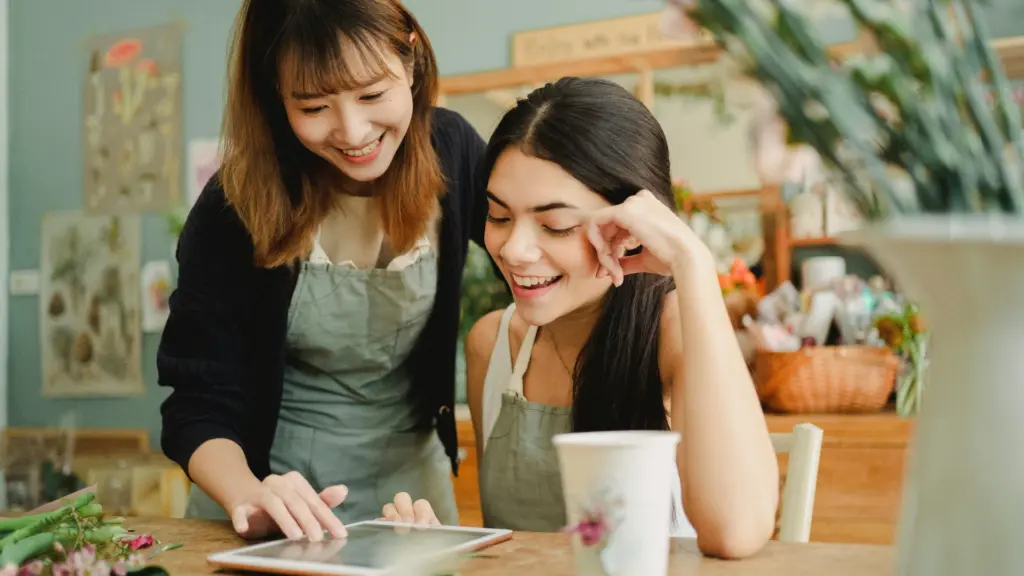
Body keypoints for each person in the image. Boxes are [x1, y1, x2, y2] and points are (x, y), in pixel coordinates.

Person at [382, 77, 780, 559]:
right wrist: (440, 550)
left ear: (632, 224)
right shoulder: (495, 345)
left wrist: (690, 262)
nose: (514, 249)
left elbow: (734, 532)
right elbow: (513, 550)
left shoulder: (671, 331)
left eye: (556, 225)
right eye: (499, 216)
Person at [157, 0, 487, 542]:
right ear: (275, 92)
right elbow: (198, 397)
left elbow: (531, 250)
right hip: (275, 486)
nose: (352, 131)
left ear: (411, 59)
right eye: (313, 107)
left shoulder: (452, 151)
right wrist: (246, 492)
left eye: (372, 95)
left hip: (413, 490)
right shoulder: (234, 204)